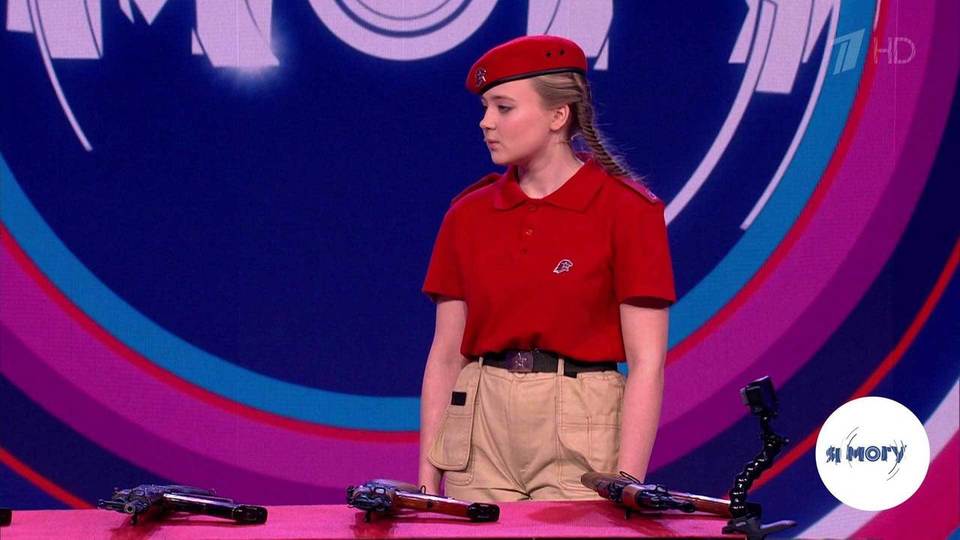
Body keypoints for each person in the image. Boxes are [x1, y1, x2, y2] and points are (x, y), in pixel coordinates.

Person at [418, 35, 676, 502]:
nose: (485, 122)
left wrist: (628, 482)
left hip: (582, 422)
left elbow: (647, 363)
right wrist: (425, 483)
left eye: (503, 108)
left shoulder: (628, 210)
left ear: (559, 116)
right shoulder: (467, 215)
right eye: (485, 108)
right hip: (479, 426)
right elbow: (445, 356)